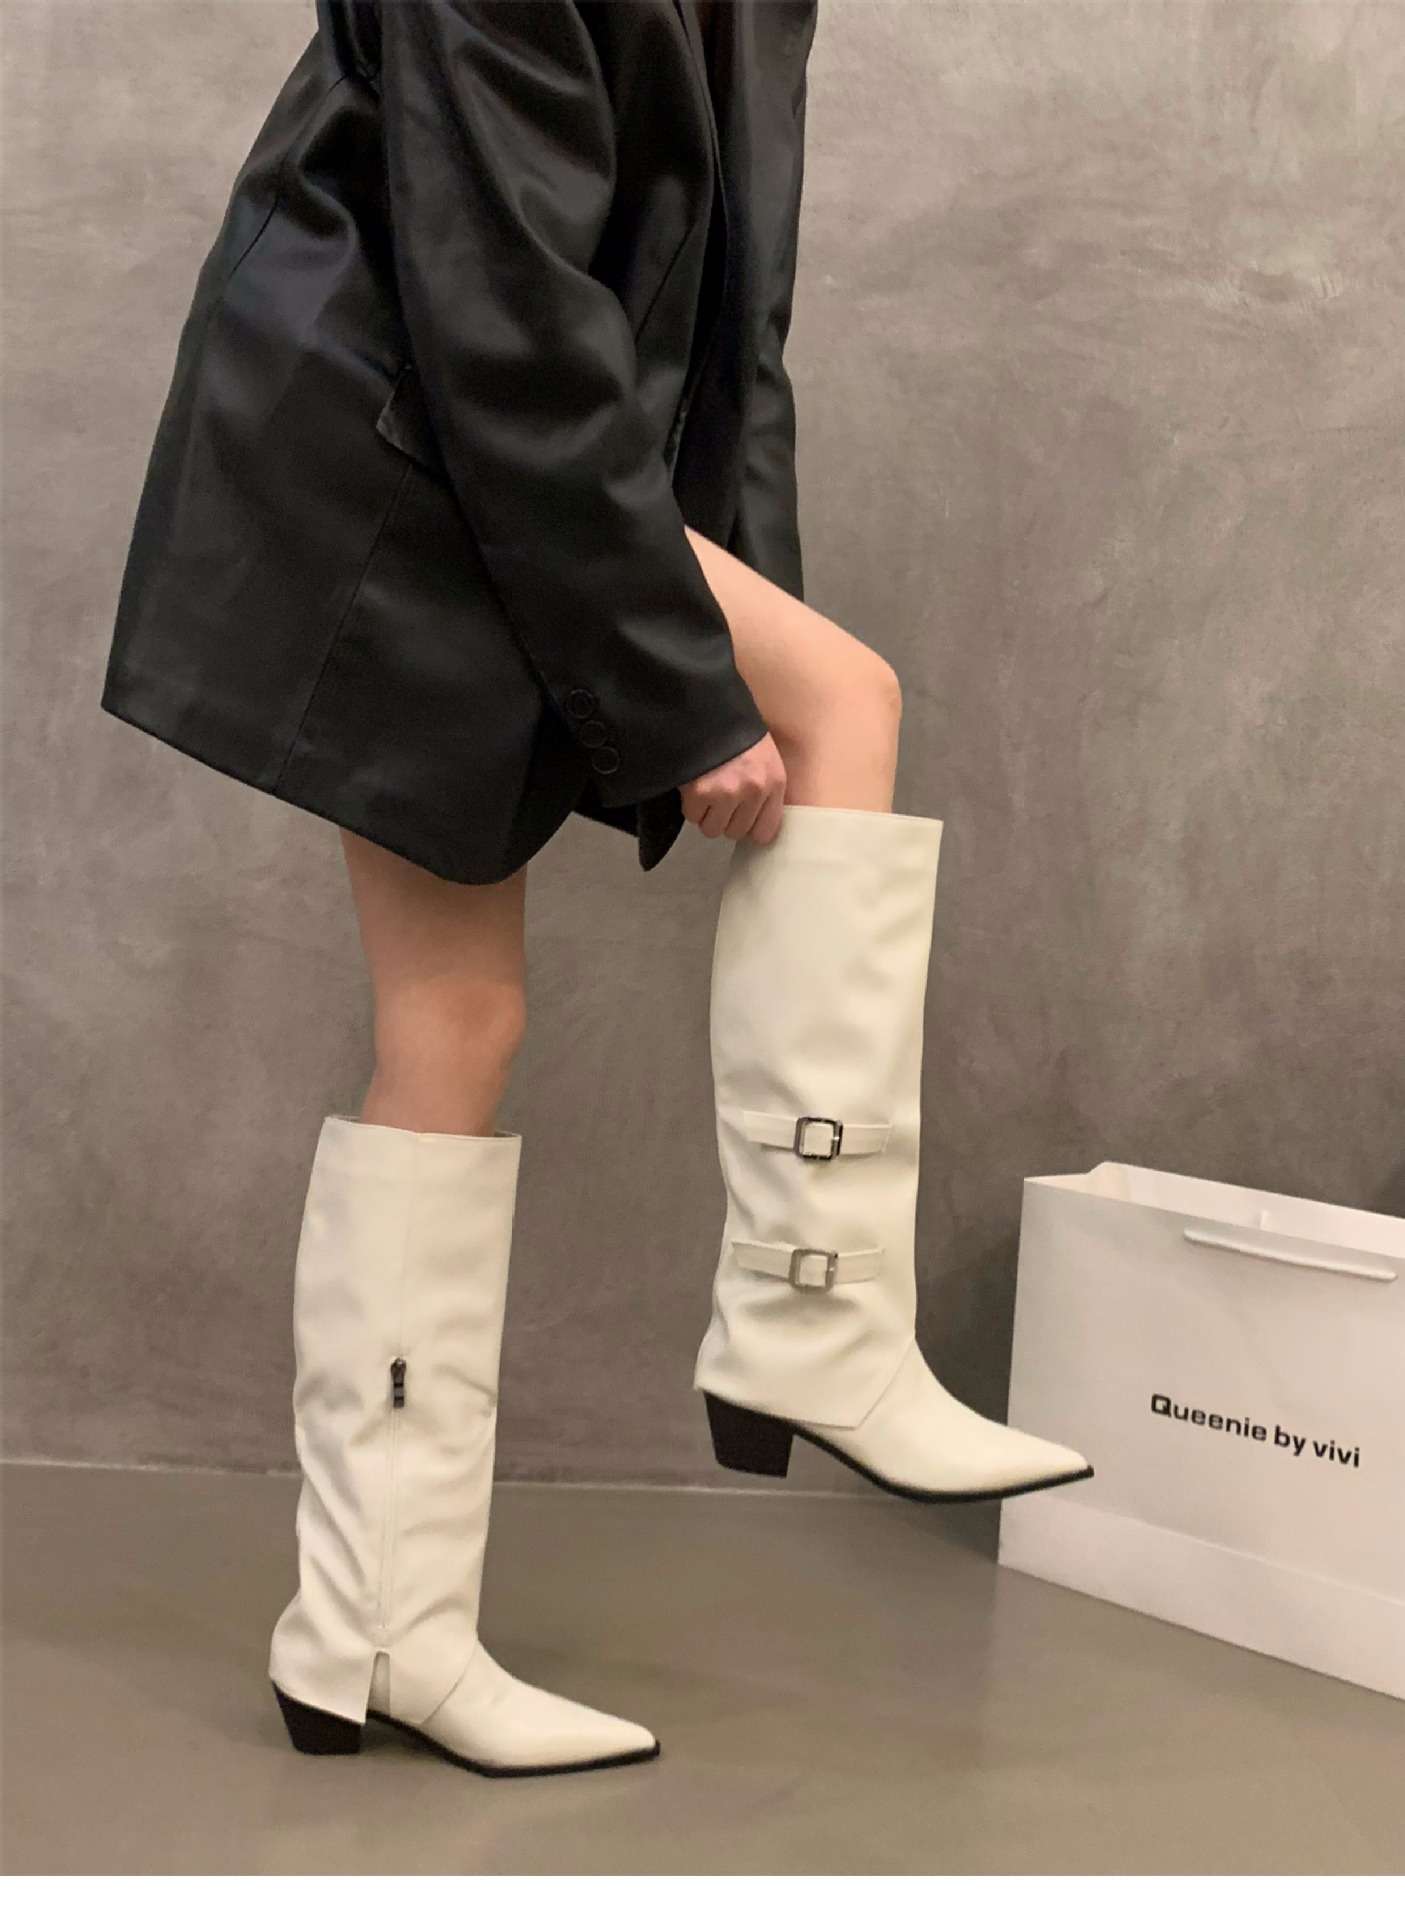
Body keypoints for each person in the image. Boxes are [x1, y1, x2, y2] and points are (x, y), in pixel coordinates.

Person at [100, 0, 1090, 1781]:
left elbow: (736, 342)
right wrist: (687, 692)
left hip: (493, 446)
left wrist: (713, 663)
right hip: (391, 448)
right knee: (844, 699)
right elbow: (501, 318)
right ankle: (809, 1310)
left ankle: (374, 1630)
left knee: (455, 1028)